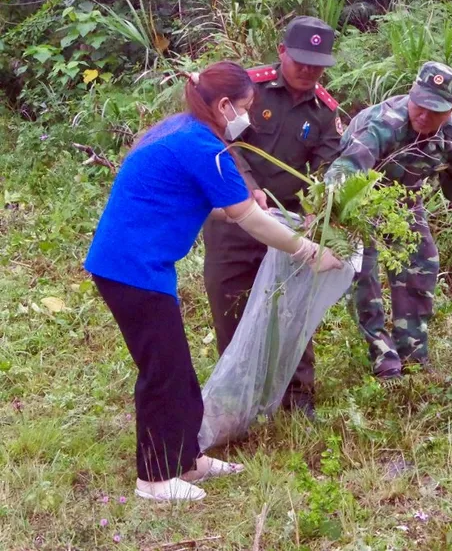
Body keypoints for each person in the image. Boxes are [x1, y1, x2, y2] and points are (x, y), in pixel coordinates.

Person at [84, 61, 342, 503]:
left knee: (179, 370)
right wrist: (306, 250)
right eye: (243, 107)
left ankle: (188, 460)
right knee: (162, 373)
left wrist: (242, 202)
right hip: (131, 269)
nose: (245, 116)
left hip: (140, 264)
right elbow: (249, 221)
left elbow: (218, 206)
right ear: (224, 105)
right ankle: (155, 478)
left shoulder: (183, 131)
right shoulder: (202, 146)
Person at [203, 16, 349, 418]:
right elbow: (220, 140)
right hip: (232, 219)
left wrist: (325, 206)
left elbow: (328, 168)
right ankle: (235, 400)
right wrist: (247, 184)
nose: (308, 71)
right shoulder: (247, 90)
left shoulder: (325, 112)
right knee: (229, 304)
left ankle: (298, 398)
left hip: (289, 225)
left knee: (294, 310)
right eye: (301, 60)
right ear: (282, 52)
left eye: (317, 64)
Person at [324, 61, 452, 379]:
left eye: (434, 110)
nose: (423, 115)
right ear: (412, 93)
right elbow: (347, 170)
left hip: (405, 198)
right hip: (359, 197)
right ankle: (382, 353)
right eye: (420, 105)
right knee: (362, 271)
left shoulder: (451, 131)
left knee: (423, 261)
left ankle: (412, 351)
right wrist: (329, 210)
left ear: (451, 110)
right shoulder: (383, 123)